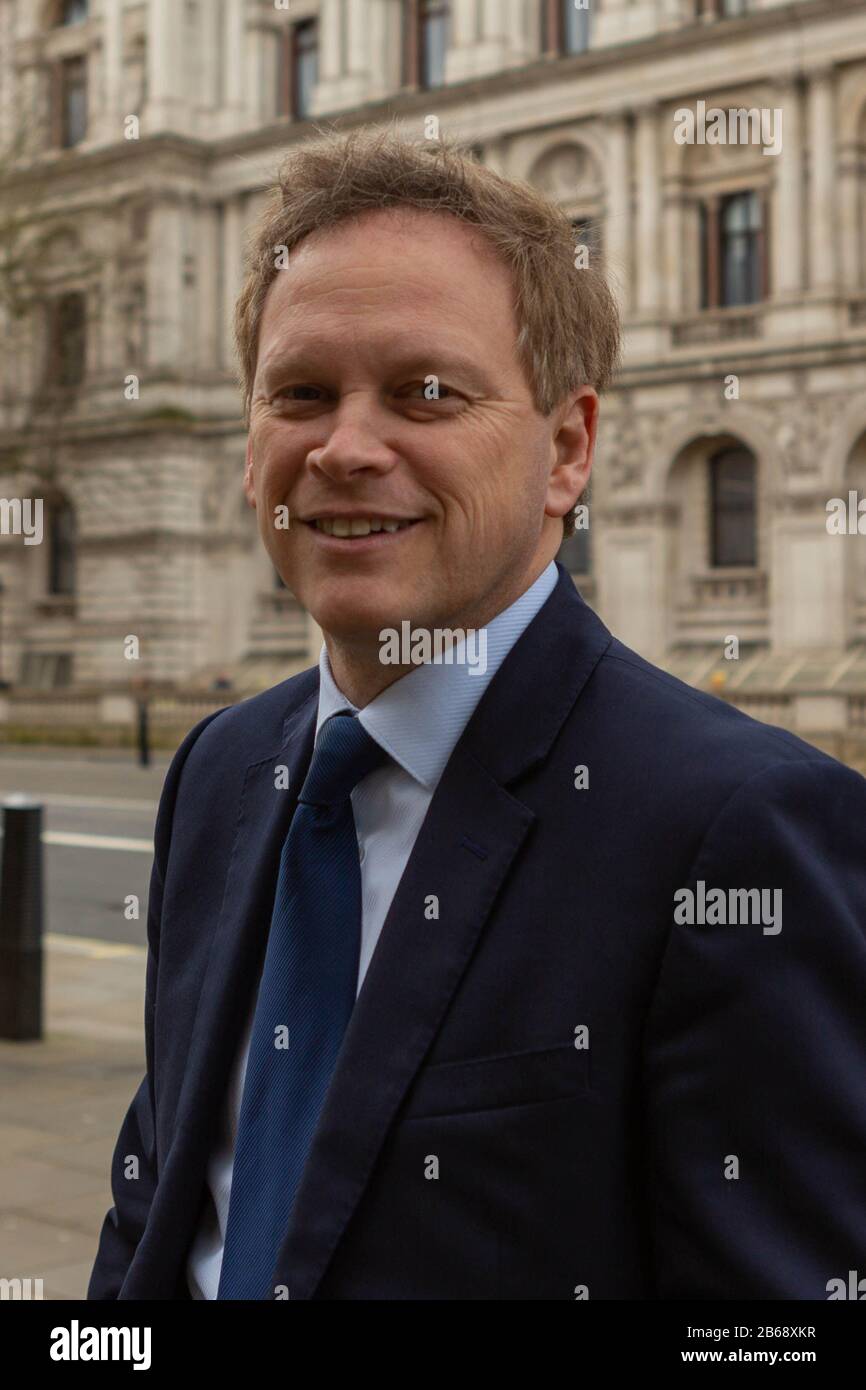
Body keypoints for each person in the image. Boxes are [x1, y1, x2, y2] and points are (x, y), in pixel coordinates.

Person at [89, 128, 866, 1301]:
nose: (345, 449)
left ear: (565, 451)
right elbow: (163, 1206)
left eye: (426, 392)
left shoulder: (736, 825)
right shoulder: (220, 766)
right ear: (249, 450)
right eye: (300, 392)